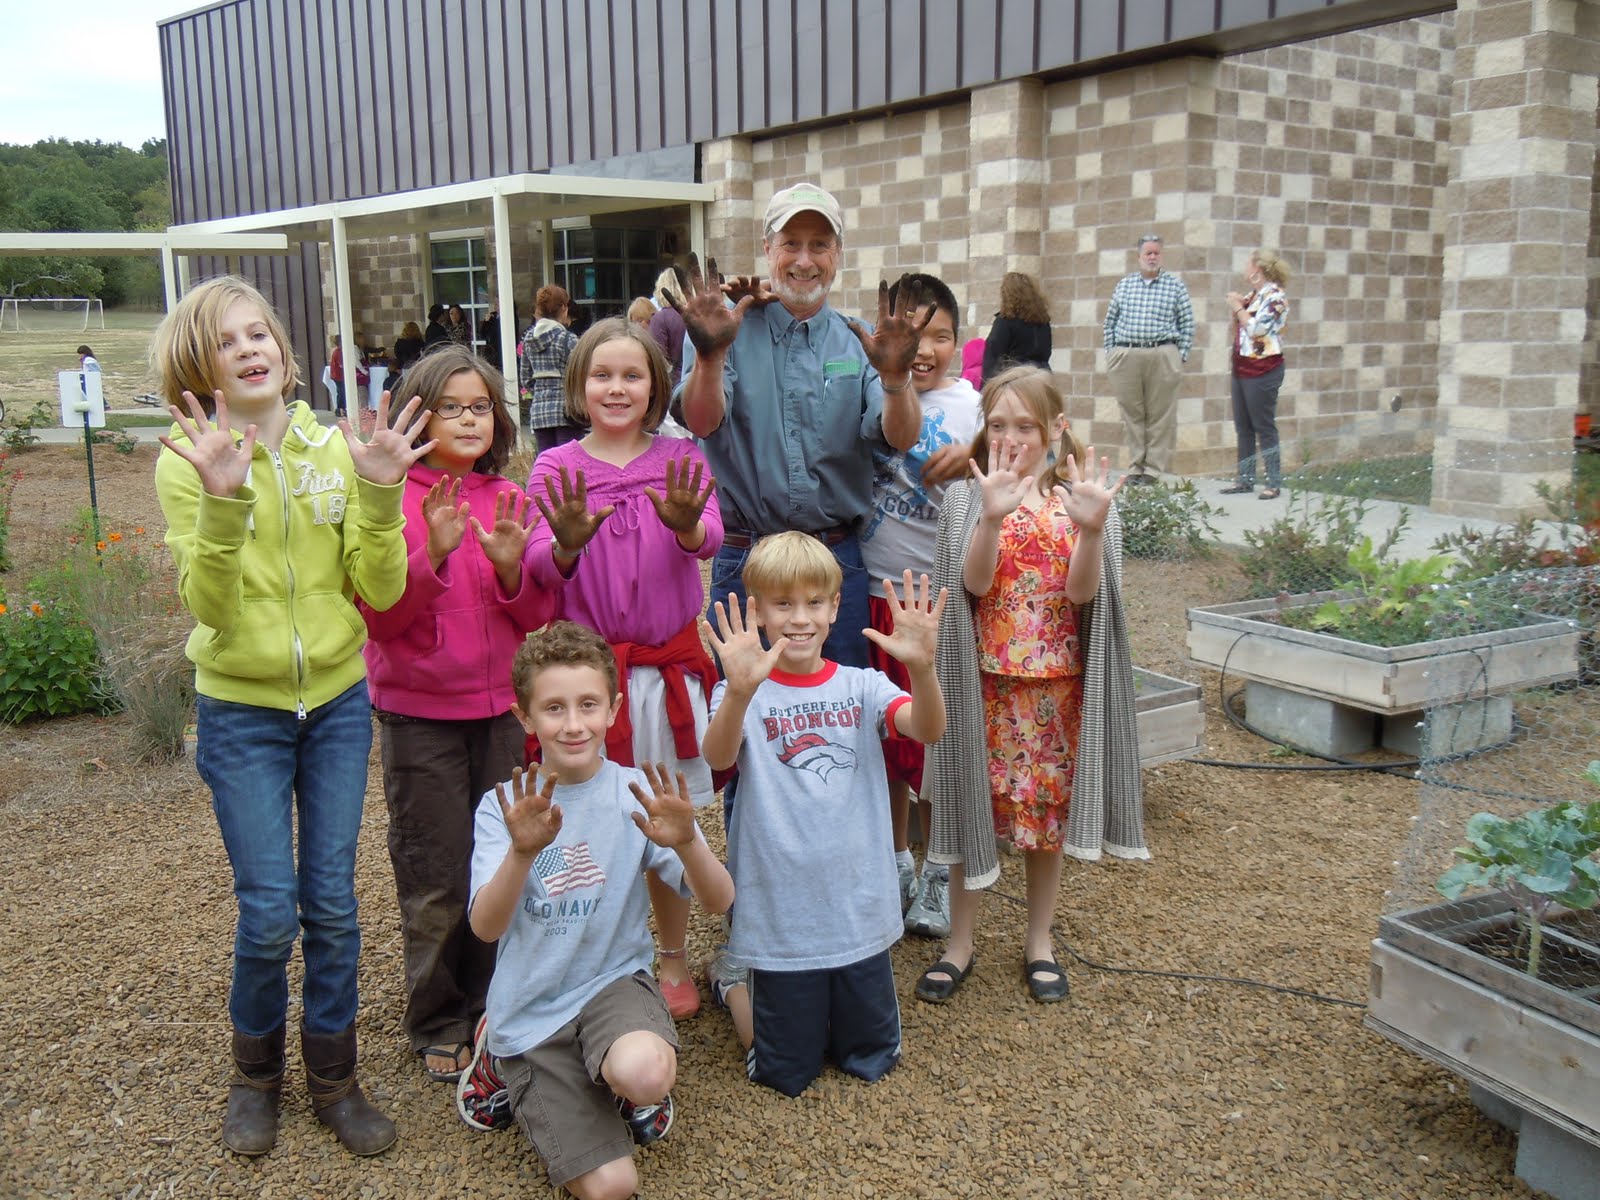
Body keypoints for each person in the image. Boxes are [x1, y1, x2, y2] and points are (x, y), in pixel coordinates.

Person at [152, 275, 434, 1157]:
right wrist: (225, 499)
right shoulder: (185, 462)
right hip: (242, 711)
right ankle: (256, 1079)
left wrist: (381, 492)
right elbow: (212, 609)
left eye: (258, 333)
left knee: (333, 905)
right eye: (225, 341)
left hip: (338, 706)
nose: (249, 349)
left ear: (282, 347)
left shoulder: (331, 449)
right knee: (271, 910)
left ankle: (336, 1079)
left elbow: (380, 589)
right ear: (198, 367)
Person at [462, 622, 735, 1200]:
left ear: (613, 709)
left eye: (588, 704)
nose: (573, 724)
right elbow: (485, 927)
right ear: (524, 718)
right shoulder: (503, 809)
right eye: (553, 708)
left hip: (612, 983)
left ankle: (616, 1081)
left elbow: (719, 901)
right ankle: (499, 1056)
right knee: (613, 1186)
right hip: (533, 1008)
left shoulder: (637, 792)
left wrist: (689, 841)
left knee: (646, 1073)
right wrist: (520, 853)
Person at [358, 345, 558, 1084]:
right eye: (451, 408)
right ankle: (439, 1015)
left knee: (501, 857)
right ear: (418, 416)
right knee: (435, 867)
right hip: (419, 715)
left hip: (500, 709)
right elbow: (380, 619)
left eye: (480, 407)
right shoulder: (390, 498)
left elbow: (538, 611)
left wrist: (509, 569)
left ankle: (493, 999)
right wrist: (434, 556)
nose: (469, 420)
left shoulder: (507, 496)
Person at [917, 366, 1146, 1008]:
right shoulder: (966, 499)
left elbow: (1083, 594)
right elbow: (972, 586)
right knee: (971, 804)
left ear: (1056, 429)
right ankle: (960, 943)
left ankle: (1038, 940)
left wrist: (1092, 530)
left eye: (1026, 425)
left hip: (1056, 690)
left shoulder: (1082, 499)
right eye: (997, 425)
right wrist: (991, 519)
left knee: (1046, 818)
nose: (1010, 439)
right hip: (983, 687)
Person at [699, 532, 947, 1097]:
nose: (799, 618)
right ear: (758, 612)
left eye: (814, 602)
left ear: (836, 607)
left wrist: (923, 670)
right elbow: (717, 759)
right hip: (781, 914)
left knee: (869, 1058)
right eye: (783, 604)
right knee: (786, 1071)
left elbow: (928, 729)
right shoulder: (742, 691)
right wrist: (737, 693)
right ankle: (732, 983)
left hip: (857, 907)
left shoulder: (864, 685)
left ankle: (798, 996)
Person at [525, 317, 723, 1021]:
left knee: (665, 814)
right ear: (578, 386)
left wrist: (687, 524)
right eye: (602, 375)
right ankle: (597, 954)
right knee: (588, 821)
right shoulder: (556, 467)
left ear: (655, 386)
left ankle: (671, 952)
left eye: (632, 375)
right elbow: (537, 563)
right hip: (589, 679)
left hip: (664, 669)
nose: (617, 388)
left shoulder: (681, 457)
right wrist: (565, 547)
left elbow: (710, 538)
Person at [674, 181, 927, 671]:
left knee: (841, 703)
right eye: (791, 243)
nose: (805, 260)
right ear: (768, 249)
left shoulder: (861, 342)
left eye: (819, 245)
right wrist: (709, 355)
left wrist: (897, 379)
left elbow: (901, 436)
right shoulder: (723, 330)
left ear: (838, 253)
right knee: (744, 702)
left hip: (833, 563)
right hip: (746, 559)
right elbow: (702, 421)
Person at [858, 273, 981, 940]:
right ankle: (895, 859)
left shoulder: (973, 406)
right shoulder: (873, 387)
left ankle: (939, 867)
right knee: (884, 734)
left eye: (941, 335)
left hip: (938, 600)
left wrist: (979, 454)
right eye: (913, 332)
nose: (925, 348)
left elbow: (1035, 458)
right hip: (875, 590)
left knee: (937, 744)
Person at [1102, 234, 1195, 484]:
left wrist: (1179, 357)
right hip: (1127, 354)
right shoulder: (1125, 285)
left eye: (1156, 253)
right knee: (1132, 413)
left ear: (1161, 255)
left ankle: (1152, 469)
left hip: (1162, 353)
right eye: (1148, 253)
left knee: (1159, 414)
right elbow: (1110, 322)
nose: (1152, 257)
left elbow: (1187, 323)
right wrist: (1112, 353)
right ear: (1139, 256)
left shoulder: (1175, 286)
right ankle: (1135, 466)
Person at [1221, 249, 1291, 500]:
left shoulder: (1275, 297)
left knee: (1264, 425)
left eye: (1248, 264)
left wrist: (1238, 308)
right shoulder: (1253, 296)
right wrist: (1239, 307)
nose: (1245, 268)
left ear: (1257, 269)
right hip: (1242, 366)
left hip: (1264, 369)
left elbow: (1258, 329)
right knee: (1244, 426)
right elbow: (1239, 328)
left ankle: (1273, 481)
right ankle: (1245, 478)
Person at [520, 284, 580, 450]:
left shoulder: (529, 339)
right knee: (569, 460)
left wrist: (539, 392)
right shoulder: (567, 339)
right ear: (563, 308)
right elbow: (580, 375)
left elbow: (525, 379)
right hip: (567, 412)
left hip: (539, 411)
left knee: (547, 461)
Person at [981, 272, 1052, 383]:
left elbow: (993, 356)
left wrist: (987, 386)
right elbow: (1046, 353)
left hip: (1016, 379)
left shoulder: (1005, 321)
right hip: (1041, 377)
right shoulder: (1042, 321)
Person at [646, 266, 688, 389]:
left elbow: (658, 359)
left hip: (673, 386)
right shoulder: (696, 315)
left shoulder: (660, 318)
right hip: (695, 382)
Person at [479, 307, 503, 371]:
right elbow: (482, 334)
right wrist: (486, 321)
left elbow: (498, 331)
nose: (495, 307)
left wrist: (493, 320)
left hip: (501, 348)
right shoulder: (492, 316)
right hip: (492, 349)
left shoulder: (506, 316)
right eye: (495, 304)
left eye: (497, 304)